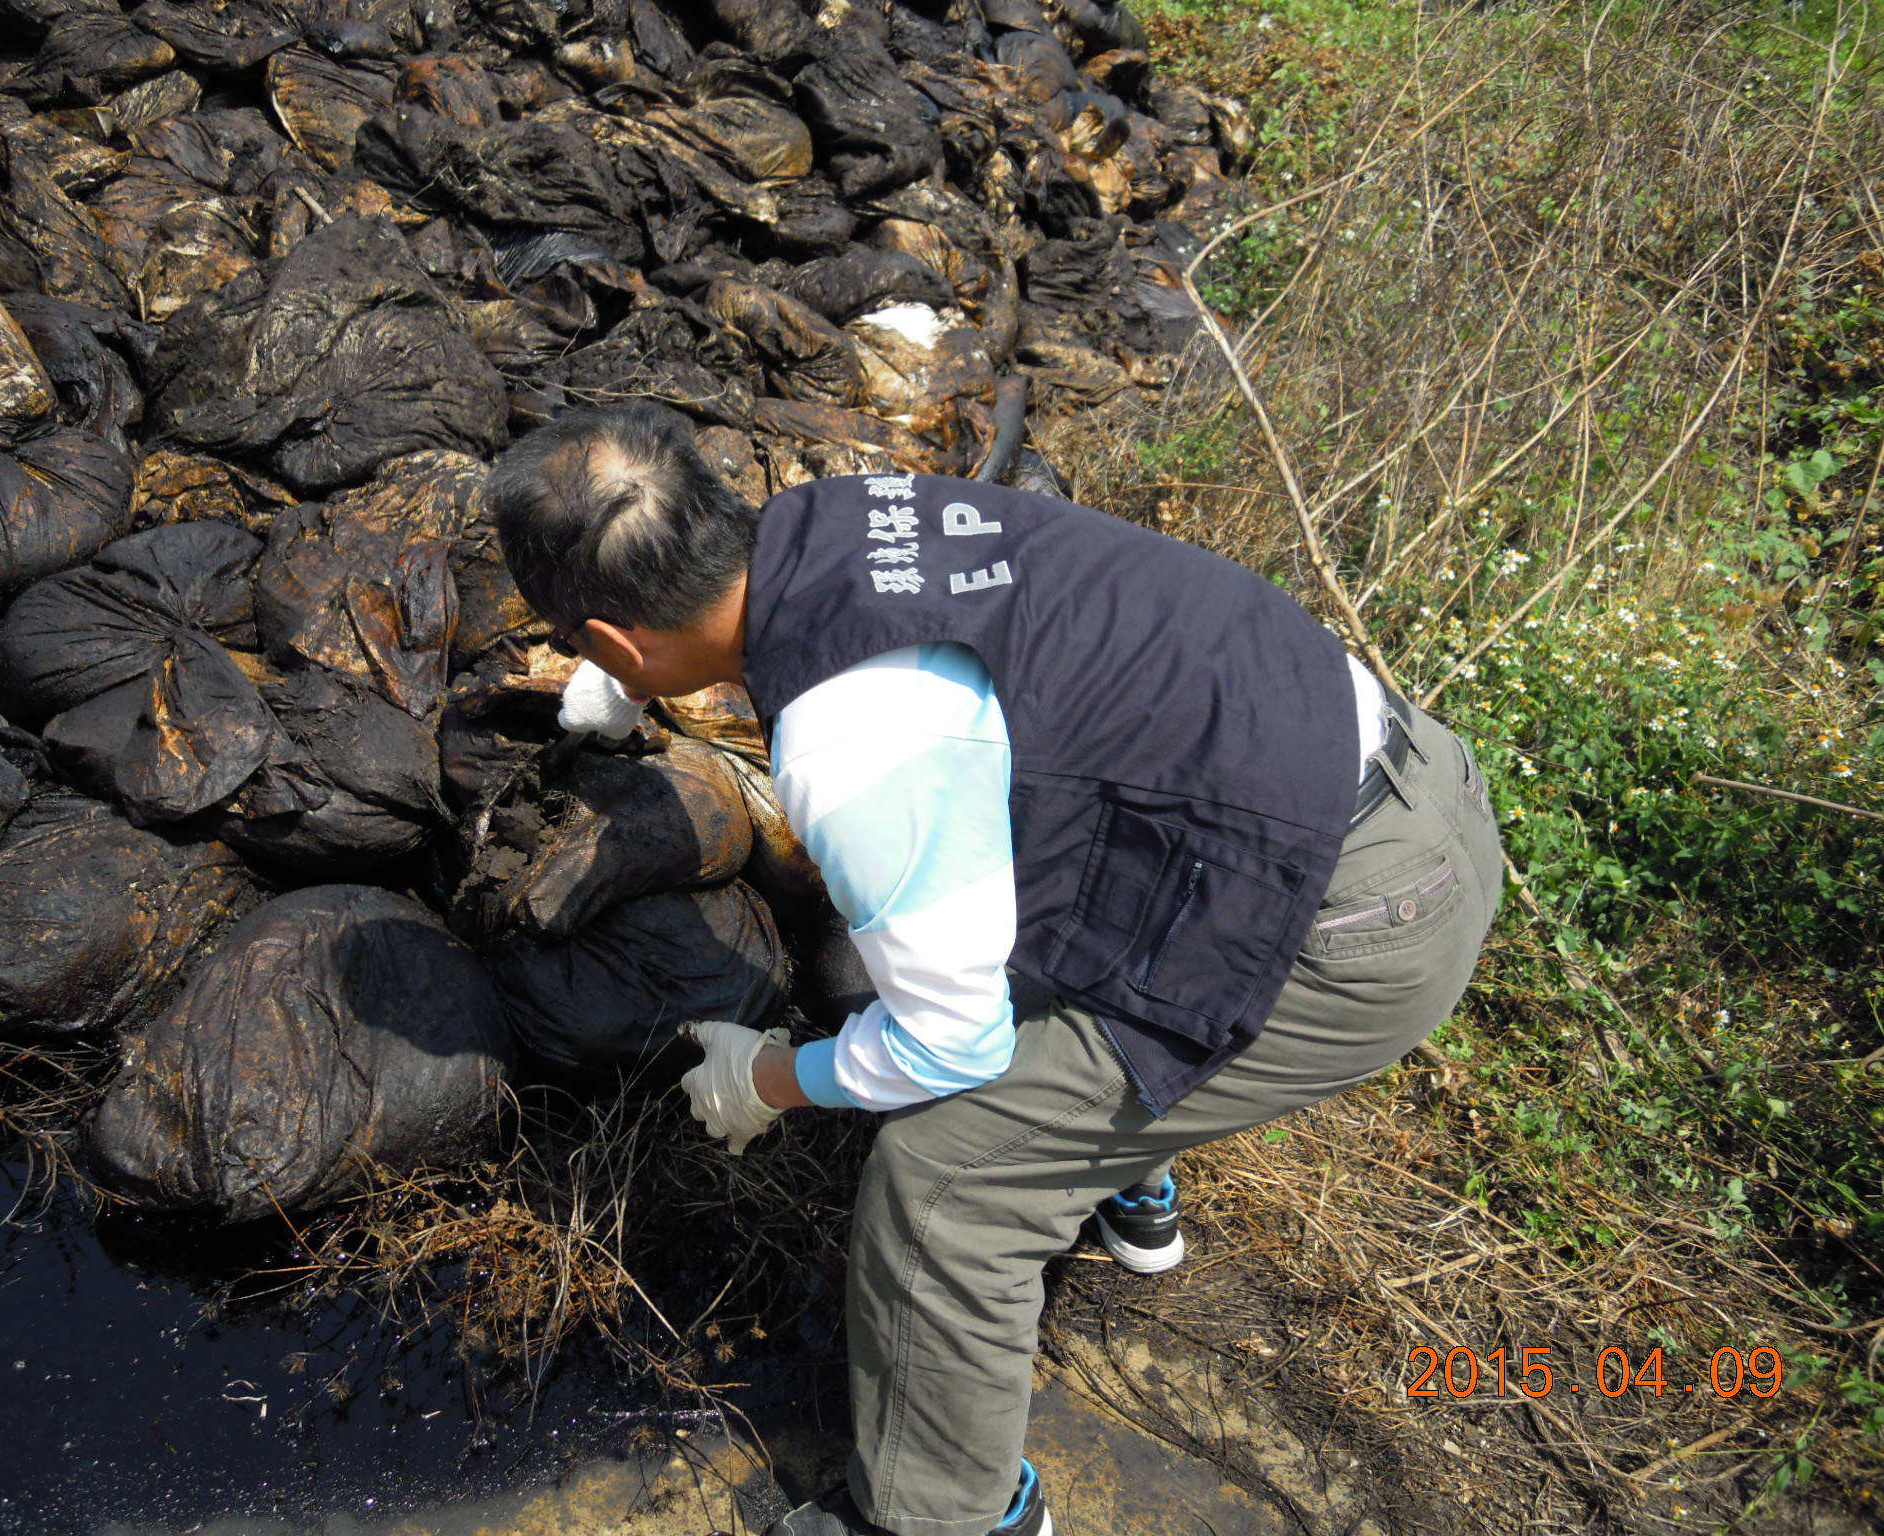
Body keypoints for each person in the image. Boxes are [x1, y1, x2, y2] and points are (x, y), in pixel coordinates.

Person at [488, 403, 1503, 1536]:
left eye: (594, 650)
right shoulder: (836, 515)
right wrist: (623, 687)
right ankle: (1123, 1177)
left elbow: (948, 1043)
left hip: (1347, 920)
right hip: (1394, 780)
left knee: (944, 1183)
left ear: (616, 639)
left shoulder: (853, 739)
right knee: (987, 890)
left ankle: (947, 1519)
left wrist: (766, 1078)